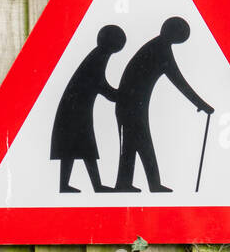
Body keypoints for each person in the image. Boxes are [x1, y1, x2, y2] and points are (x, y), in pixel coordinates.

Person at [112, 16, 213, 193]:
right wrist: (202, 105)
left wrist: (201, 104)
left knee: (133, 144)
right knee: (140, 142)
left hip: (131, 104)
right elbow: (179, 82)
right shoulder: (160, 50)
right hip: (131, 105)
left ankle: (128, 183)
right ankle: (149, 184)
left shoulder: (157, 46)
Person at [51, 25, 126, 192]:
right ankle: (89, 186)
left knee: (79, 147)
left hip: (77, 107)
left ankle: (79, 185)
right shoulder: (99, 56)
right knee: (82, 146)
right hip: (76, 108)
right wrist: (117, 95)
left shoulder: (99, 54)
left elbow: (98, 82)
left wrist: (114, 94)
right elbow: (99, 82)